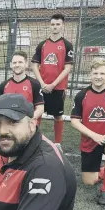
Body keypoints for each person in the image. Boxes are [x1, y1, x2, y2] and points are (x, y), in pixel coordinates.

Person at [70, 58, 105, 205]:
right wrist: (94, 135)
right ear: (90, 74)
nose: (98, 76)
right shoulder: (82, 95)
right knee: (89, 182)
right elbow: (75, 121)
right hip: (90, 141)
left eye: (102, 73)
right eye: (95, 73)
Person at [32, 14, 74, 149]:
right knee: (38, 113)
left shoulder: (67, 45)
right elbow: (34, 65)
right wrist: (42, 84)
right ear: (50, 25)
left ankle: (57, 143)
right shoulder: (42, 44)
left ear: (62, 26)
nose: (55, 27)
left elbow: (67, 68)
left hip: (58, 87)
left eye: (58, 24)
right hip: (42, 87)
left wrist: (53, 84)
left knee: (58, 116)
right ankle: (34, 140)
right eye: (53, 24)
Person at [0, 51, 44, 124]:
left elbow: (40, 108)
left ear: (26, 64)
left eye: (20, 62)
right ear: (10, 65)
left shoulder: (34, 84)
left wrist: (28, 120)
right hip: (9, 124)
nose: (17, 65)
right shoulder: (3, 85)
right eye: (14, 63)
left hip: (28, 124)